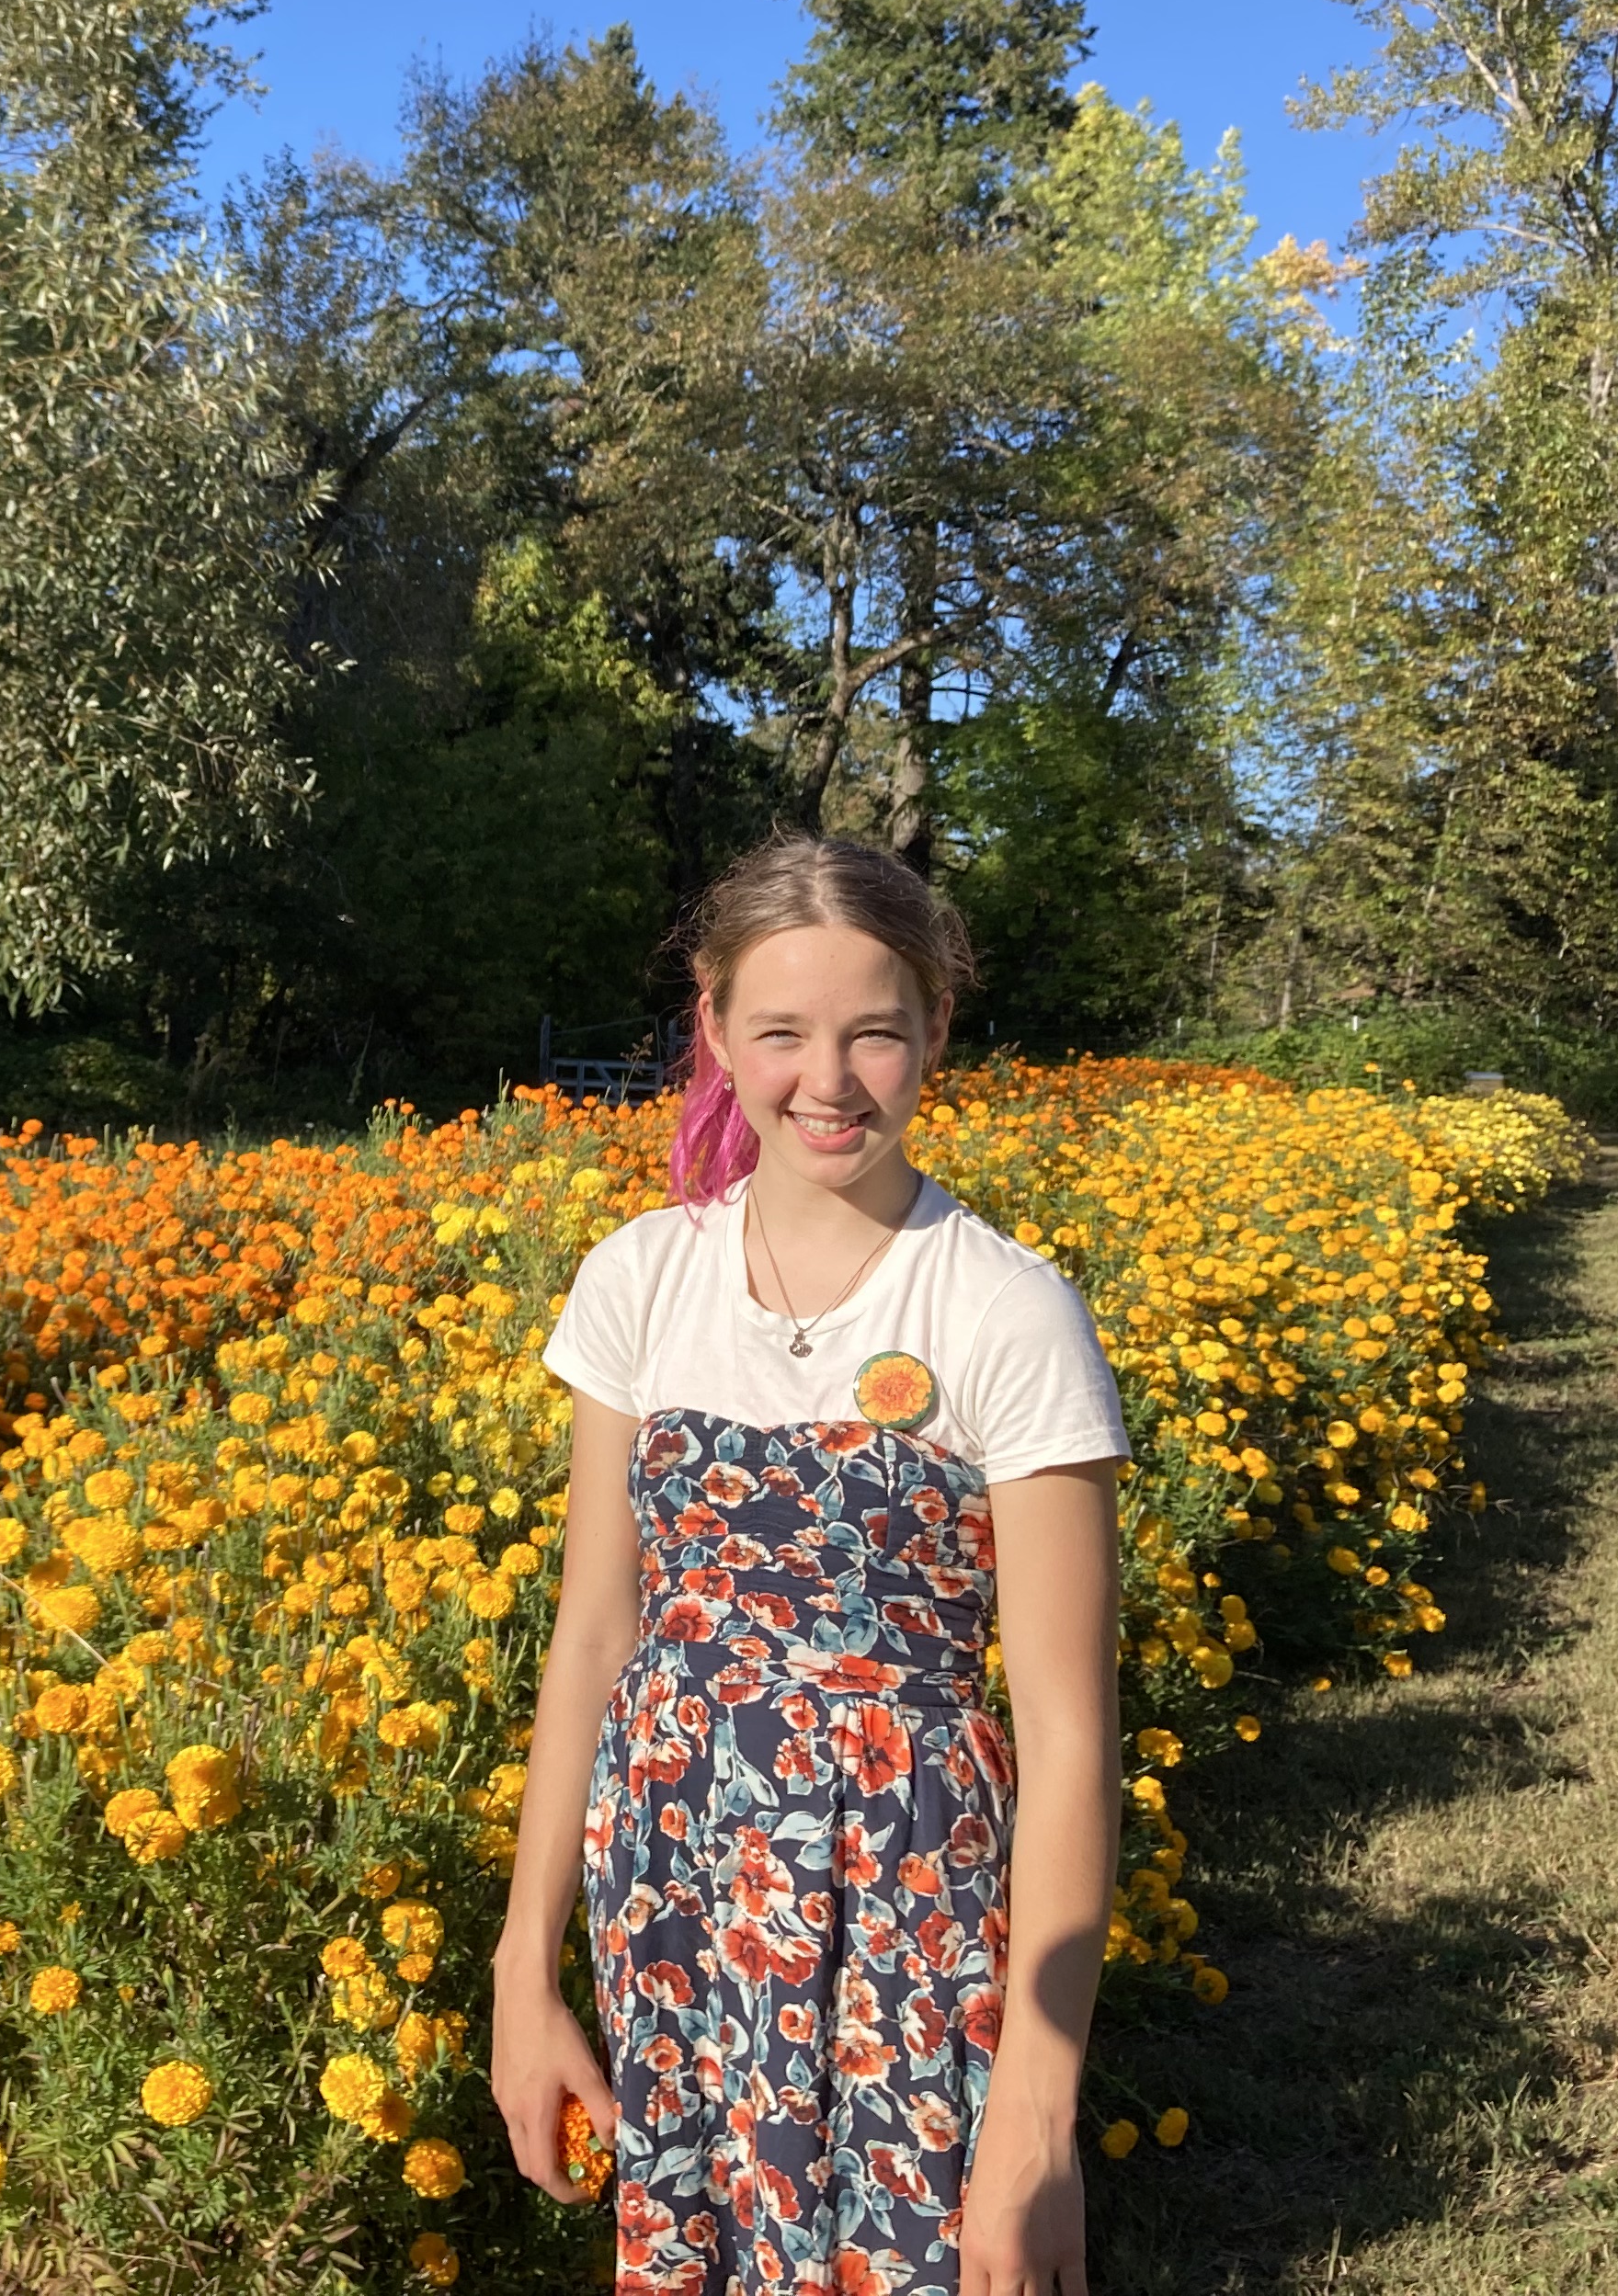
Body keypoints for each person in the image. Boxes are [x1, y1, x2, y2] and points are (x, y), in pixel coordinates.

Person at [488, 834, 1128, 2296]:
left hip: (910, 1904)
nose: (826, 1080)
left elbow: (1071, 1731)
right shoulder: (638, 1279)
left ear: (937, 1033)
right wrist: (528, 1969)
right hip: (672, 1888)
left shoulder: (1008, 1313)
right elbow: (594, 1634)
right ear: (713, 1029)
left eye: (874, 1034)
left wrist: (1035, 2121)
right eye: (779, 1032)